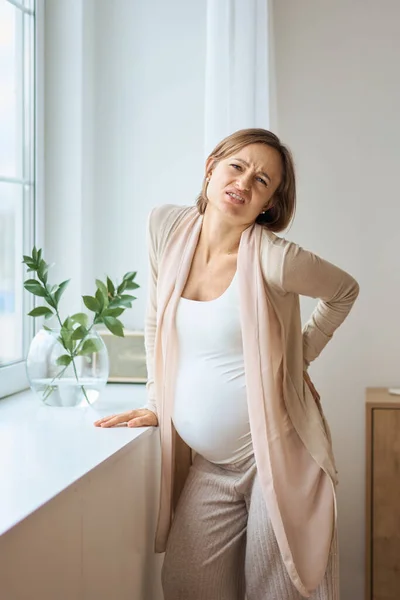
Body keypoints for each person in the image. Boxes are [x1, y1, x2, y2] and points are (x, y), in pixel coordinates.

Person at [94, 128, 359, 599]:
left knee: (277, 590)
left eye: (263, 181)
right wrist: (156, 403)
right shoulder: (166, 229)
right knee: (187, 585)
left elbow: (344, 291)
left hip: (275, 458)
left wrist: (297, 360)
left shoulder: (274, 259)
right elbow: (157, 320)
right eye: (238, 166)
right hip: (211, 464)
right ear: (212, 166)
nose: (244, 182)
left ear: (269, 206)